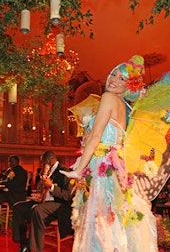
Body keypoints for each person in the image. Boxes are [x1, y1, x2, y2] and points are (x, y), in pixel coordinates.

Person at [61, 55, 158, 251]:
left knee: (101, 224)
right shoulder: (127, 108)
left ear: (129, 85)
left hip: (102, 167)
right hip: (115, 168)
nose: (114, 79)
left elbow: (96, 136)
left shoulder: (108, 98)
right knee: (114, 222)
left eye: (122, 78)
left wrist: (79, 169)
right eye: (113, 74)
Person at [11, 150, 74, 252]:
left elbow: (68, 195)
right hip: (44, 202)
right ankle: (23, 243)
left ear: (48, 161)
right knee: (18, 207)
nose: (41, 165)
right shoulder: (47, 173)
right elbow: (42, 190)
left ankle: (34, 248)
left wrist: (51, 186)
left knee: (37, 210)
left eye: (42, 163)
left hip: (59, 205)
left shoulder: (64, 171)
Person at [0, 155, 28, 230]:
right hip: (12, 194)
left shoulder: (20, 172)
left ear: (15, 162)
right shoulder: (13, 171)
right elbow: (8, 181)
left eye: (10, 162)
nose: (9, 163)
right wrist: (1, 182)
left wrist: (1, 183)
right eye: (9, 162)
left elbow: (13, 184)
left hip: (14, 196)